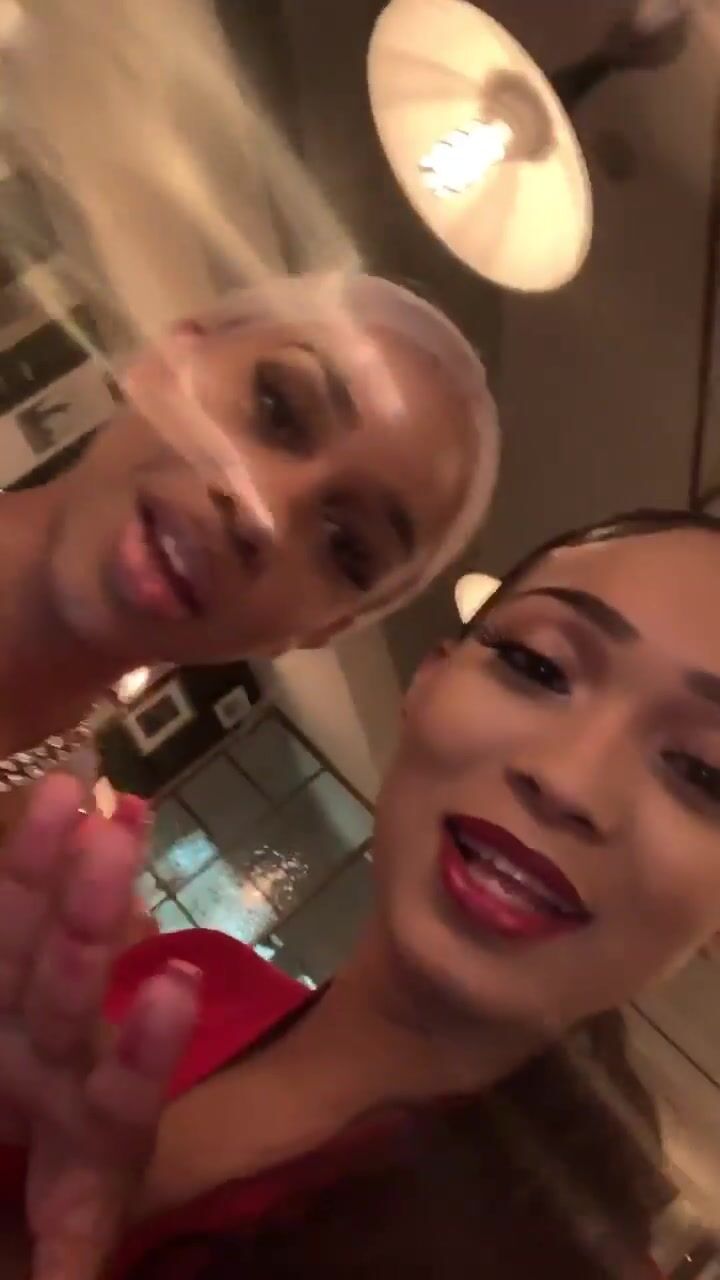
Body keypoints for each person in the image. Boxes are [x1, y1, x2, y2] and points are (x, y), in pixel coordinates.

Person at [7, 507, 720, 1280]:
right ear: (427, 680)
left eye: (702, 771)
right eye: (539, 666)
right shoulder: (184, 980)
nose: (568, 779)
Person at [0, 272, 498, 841]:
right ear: (165, 360)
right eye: (276, 408)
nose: (262, 515)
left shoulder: (39, 846)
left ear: (323, 628)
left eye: (347, 547)